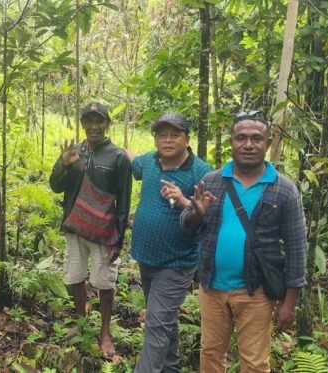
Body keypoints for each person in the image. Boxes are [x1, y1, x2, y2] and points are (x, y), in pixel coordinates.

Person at [179, 110, 308, 372]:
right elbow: (186, 224)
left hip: (256, 291)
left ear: (267, 143)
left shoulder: (284, 189)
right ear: (232, 142)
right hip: (212, 287)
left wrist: (289, 302)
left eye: (256, 138)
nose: (248, 144)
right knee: (211, 353)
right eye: (241, 138)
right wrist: (196, 214)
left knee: (254, 362)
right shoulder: (211, 181)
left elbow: (296, 247)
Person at [130, 113, 212, 372]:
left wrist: (185, 201)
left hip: (177, 262)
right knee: (163, 320)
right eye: (162, 135)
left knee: (156, 321)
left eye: (174, 135)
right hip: (146, 256)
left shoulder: (202, 173)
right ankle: (171, 368)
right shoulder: (149, 161)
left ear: (187, 139)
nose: (167, 140)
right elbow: (131, 160)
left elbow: (211, 218)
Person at [49, 102, 132, 357]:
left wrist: (118, 240)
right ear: (82, 123)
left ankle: (105, 332)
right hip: (74, 227)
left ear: (107, 124)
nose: (94, 126)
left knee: (104, 282)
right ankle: (81, 322)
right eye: (89, 121)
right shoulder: (73, 151)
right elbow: (55, 186)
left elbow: (124, 201)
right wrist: (64, 165)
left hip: (103, 231)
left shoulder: (117, 156)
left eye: (100, 121)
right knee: (75, 276)